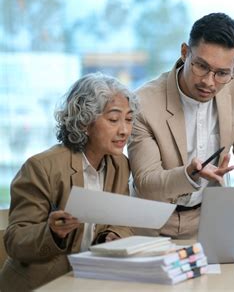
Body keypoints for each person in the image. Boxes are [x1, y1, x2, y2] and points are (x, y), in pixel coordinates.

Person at [128, 12, 234, 239]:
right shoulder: (144, 102)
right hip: (151, 223)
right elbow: (146, 182)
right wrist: (189, 175)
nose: (209, 82)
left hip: (210, 219)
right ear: (185, 53)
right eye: (201, 66)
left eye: (222, 73)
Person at [0, 73, 139, 291]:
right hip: (42, 284)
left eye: (129, 119)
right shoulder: (42, 167)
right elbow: (15, 240)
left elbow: (120, 221)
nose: (124, 130)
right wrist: (53, 232)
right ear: (84, 122)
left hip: (90, 280)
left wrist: (112, 236)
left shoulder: (120, 164)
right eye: (113, 119)